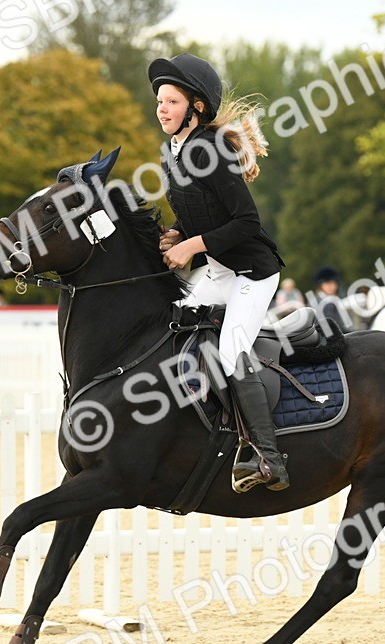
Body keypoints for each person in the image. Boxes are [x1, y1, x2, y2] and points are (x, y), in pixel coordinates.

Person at [151, 52, 289, 491]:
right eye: (159, 101)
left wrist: (191, 244)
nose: (162, 109)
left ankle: (269, 459)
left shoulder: (210, 150)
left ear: (196, 107)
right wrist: (176, 234)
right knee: (174, 329)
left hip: (252, 273)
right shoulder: (170, 153)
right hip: (219, 269)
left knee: (231, 354)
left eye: (171, 101)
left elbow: (246, 221)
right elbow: (197, 213)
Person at [310, 265, 352, 334]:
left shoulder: (339, 300)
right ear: (320, 285)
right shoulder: (314, 303)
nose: (331, 286)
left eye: (333, 283)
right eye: (327, 283)